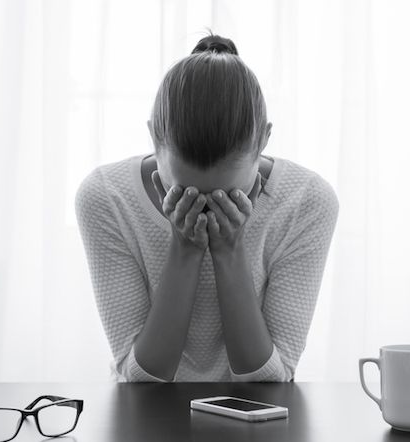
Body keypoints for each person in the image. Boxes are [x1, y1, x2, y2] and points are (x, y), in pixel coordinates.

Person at [75, 32, 339, 382]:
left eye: (226, 195)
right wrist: (185, 249)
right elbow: (141, 378)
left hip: (259, 427)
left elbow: (270, 380)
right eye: (185, 190)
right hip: (145, 423)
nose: (204, 208)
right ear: (155, 138)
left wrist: (229, 250)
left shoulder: (307, 201)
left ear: (263, 140)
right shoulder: (106, 197)